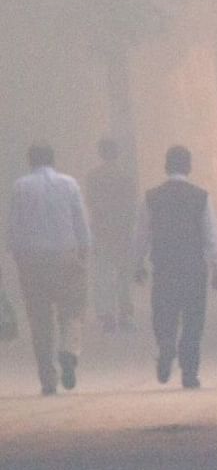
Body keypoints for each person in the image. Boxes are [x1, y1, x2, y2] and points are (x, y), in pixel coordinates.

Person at [132, 146, 217, 390]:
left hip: (164, 267)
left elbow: (141, 235)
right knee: (193, 320)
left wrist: (138, 263)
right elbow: (211, 236)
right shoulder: (201, 197)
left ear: (166, 166)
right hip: (194, 268)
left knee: (164, 313)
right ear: (189, 167)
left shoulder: (150, 198)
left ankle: (165, 343)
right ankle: (189, 373)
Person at [8, 144, 92, 395]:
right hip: (66, 257)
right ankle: (68, 350)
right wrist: (84, 253)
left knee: (39, 320)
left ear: (29, 161)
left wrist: (18, 258)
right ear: (54, 160)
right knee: (72, 310)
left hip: (33, 261)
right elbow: (80, 221)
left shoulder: (20, 187)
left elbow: (14, 227)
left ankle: (47, 377)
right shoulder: (69, 184)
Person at [83, 137, 138, 332]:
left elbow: (89, 202)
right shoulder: (126, 176)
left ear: (100, 153)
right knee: (123, 274)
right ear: (117, 153)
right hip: (122, 230)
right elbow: (133, 205)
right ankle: (125, 314)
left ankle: (107, 316)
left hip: (101, 231)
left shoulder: (93, 177)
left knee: (103, 273)